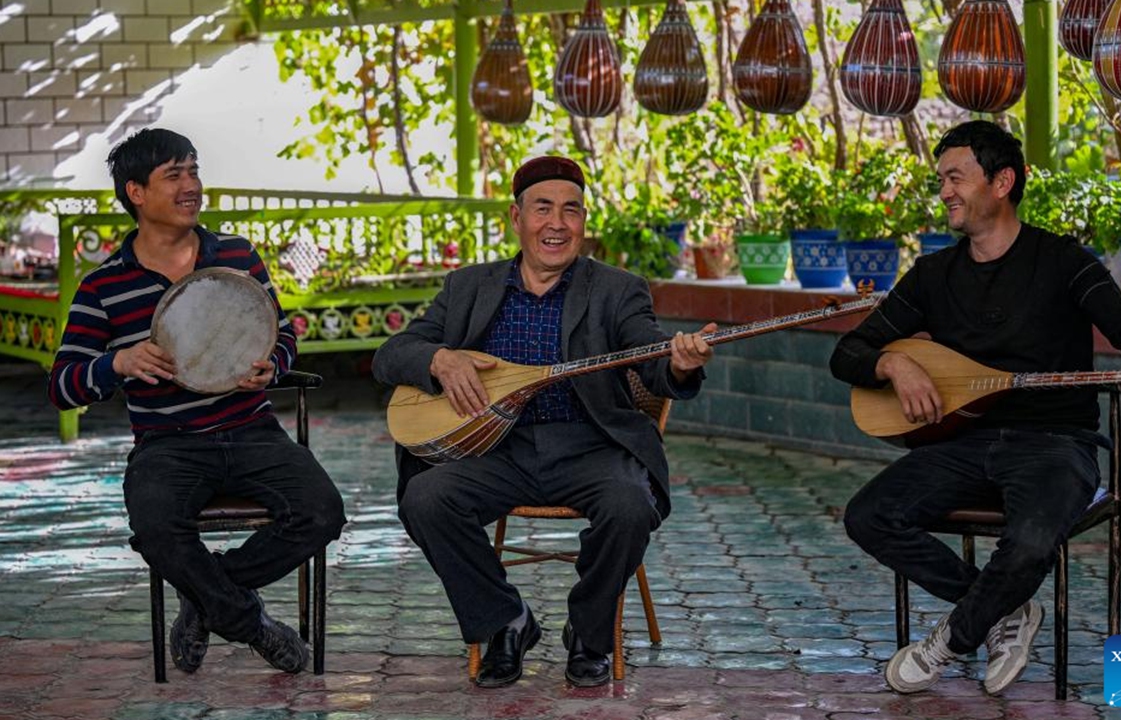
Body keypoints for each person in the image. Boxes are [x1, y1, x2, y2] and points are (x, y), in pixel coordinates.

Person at [829, 120, 1121, 696]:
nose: (945, 190)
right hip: (964, 445)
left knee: (1030, 542)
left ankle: (950, 640)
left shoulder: (1061, 260)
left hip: (1056, 445)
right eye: (941, 179)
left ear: (1002, 181)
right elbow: (848, 352)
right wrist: (894, 365)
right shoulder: (932, 275)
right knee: (868, 515)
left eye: (956, 177)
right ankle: (1005, 612)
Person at [372, 156, 716, 688]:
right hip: (495, 451)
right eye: (543, 209)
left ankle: (588, 630)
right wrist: (439, 360)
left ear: (583, 221)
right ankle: (506, 620)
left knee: (629, 504)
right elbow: (394, 353)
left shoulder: (617, 289)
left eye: (571, 210)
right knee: (426, 498)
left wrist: (676, 362)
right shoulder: (469, 286)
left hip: (589, 446)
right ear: (516, 218)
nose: (557, 223)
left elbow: (648, 353)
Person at [48, 128, 346, 675]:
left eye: (193, 170)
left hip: (252, 430)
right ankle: (249, 622)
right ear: (136, 192)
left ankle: (205, 596)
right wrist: (117, 362)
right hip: (169, 446)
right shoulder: (103, 287)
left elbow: (282, 335)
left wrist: (270, 366)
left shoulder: (235, 254)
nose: (191, 186)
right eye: (174, 175)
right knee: (156, 527)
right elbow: (64, 386)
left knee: (323, 512)